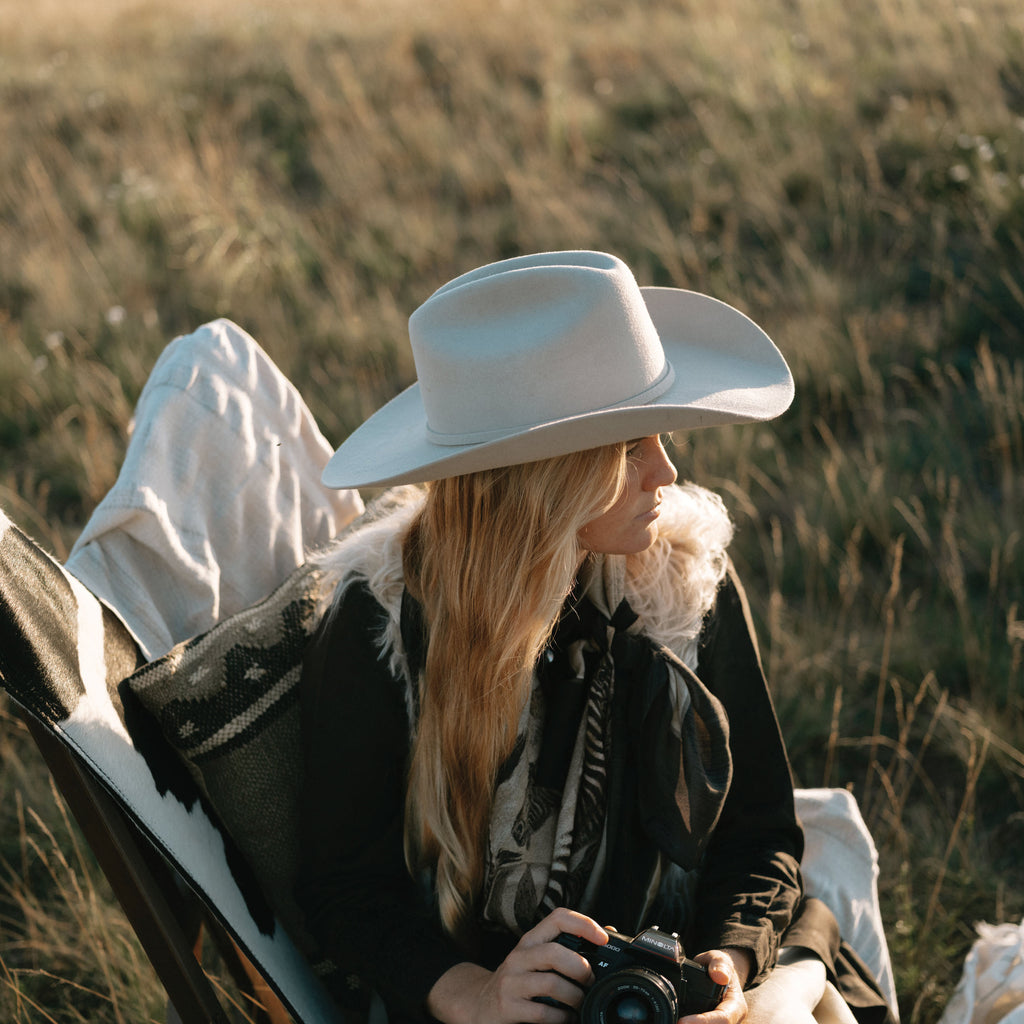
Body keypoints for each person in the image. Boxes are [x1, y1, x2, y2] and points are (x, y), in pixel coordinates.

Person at [295, 251, 896, 1024]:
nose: (667, 472)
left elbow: (760, 833)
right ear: (543, 480)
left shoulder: (681, 583)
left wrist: (731, 965)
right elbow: (345, 885)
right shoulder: (383, 628)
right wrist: (476, 993)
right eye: (630, 448)